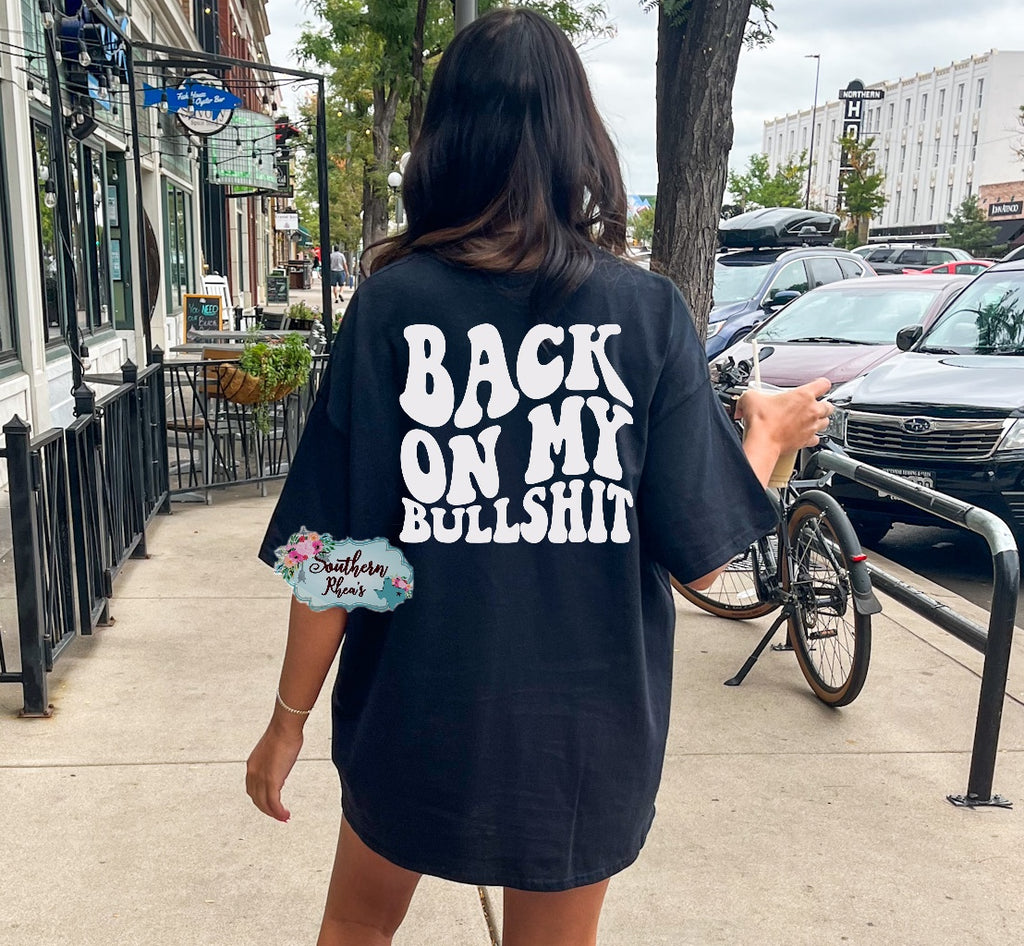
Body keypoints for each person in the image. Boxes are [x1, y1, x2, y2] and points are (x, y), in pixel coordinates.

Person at [245, 10, 832, 946]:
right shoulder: (647, 313)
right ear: (577, 139)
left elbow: (337, 557)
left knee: (356, 925)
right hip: (581, 734)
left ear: (446, 140)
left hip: (414, 710)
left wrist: (288, 721)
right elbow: (701, 559)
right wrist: (767, 435)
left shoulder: (391, 307)